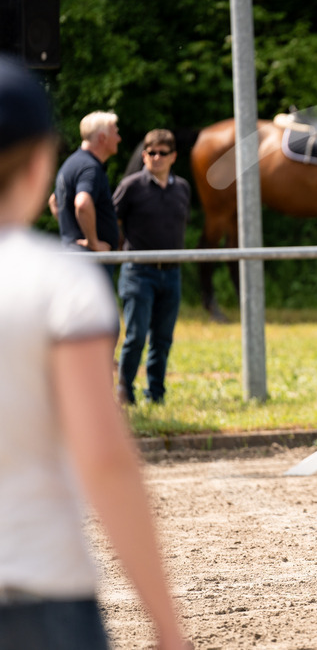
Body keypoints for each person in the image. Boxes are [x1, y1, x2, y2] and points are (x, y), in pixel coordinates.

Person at [0, 57, 190, 649]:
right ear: (39, 164)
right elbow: (104, 459)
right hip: (34, 585)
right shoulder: (56, 282)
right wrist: (165, 622)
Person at [114, 129, 192, 405]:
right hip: (138, 271)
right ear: (144, 155)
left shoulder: (182, 187)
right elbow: (113, 222)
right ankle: (125, 391)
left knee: (162, 337)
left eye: (162, 153)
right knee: (135, 336)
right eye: (150, 153)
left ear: (173, 157)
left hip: (171, 273)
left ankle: (156, 394)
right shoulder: (131, 186)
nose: (156, 158)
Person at [50, 110, 122, 285]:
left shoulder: (72, 163)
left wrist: (72, 232)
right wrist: (93, 243)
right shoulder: (90, 167)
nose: (119, 138)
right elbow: (82, 203)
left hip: (78, 257)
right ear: (103, 138)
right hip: (90, 262)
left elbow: (53, 201)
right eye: (116, 133)